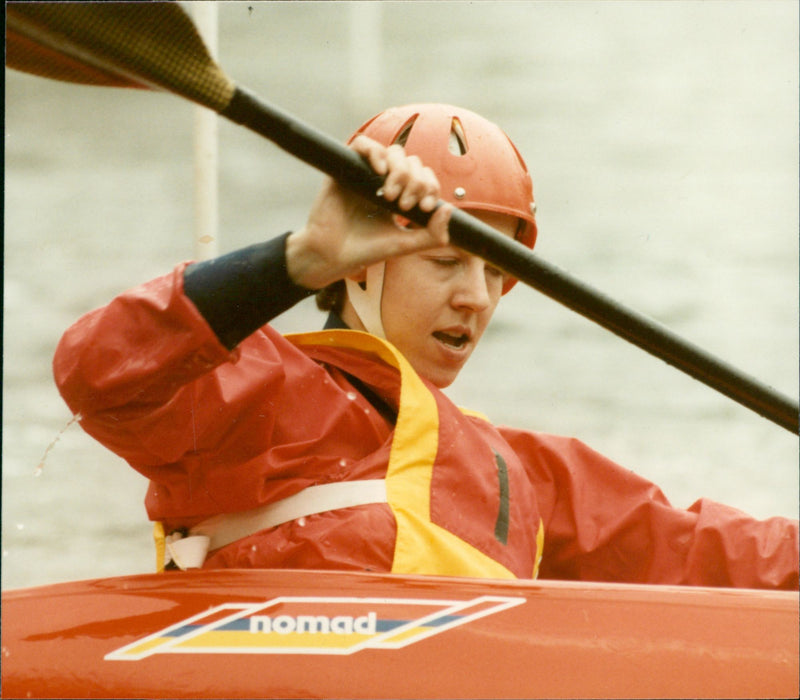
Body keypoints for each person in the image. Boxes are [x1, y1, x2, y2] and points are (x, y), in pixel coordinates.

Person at [53, 103, 798, 589]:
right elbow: (98, 371)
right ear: (363, 264)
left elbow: (706, 551)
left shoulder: (525, 475)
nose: (476, 296)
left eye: (497, 272)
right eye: (446, 263)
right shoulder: (263, 395)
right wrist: (299, 258)